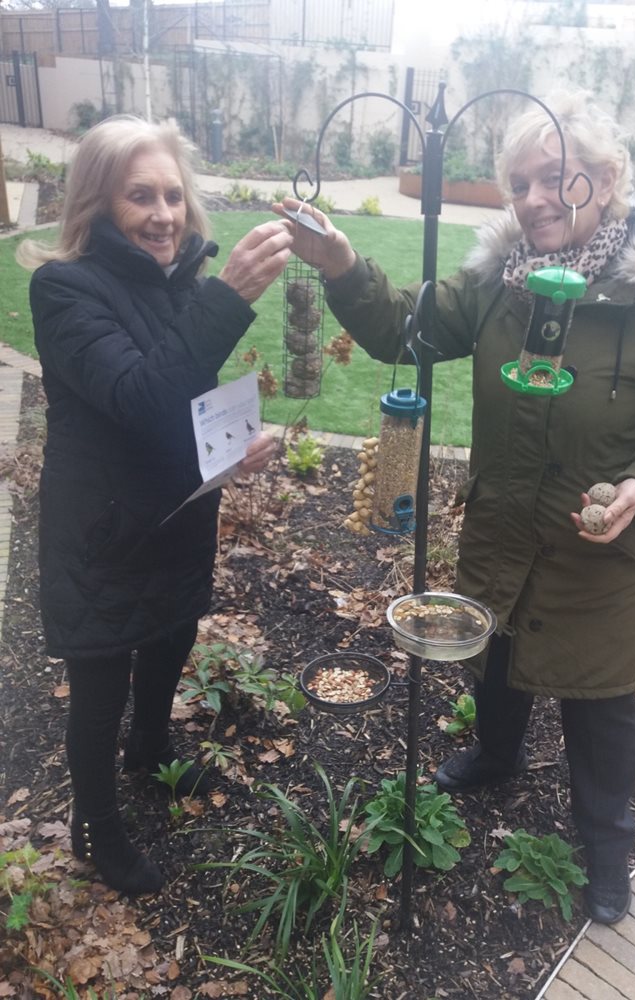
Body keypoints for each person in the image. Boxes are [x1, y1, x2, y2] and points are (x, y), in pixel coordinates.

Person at [274, 91, 635, 924]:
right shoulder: (501, 285)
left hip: (600, 548)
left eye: (552, 179)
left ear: (601, 182)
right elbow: (404, 333)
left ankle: (605, 843)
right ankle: (497, 757)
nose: (531, 200)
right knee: (494, 655)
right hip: (503, 526)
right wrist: (342, 263)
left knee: (600, 698)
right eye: (518, 183)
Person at [17, 115, 293, 895]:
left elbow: (181, 402)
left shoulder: (183, 286)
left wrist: (230, 449)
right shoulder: (64, 289)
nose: (164, 214)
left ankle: (152, 749)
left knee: (170, 637)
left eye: (173, 195)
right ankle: (96, 824)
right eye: (141, 196)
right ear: (98, 203)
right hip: (102, 531)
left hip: (175, 513)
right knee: (99, 686)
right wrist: (231, 295)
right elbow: (139, 397)